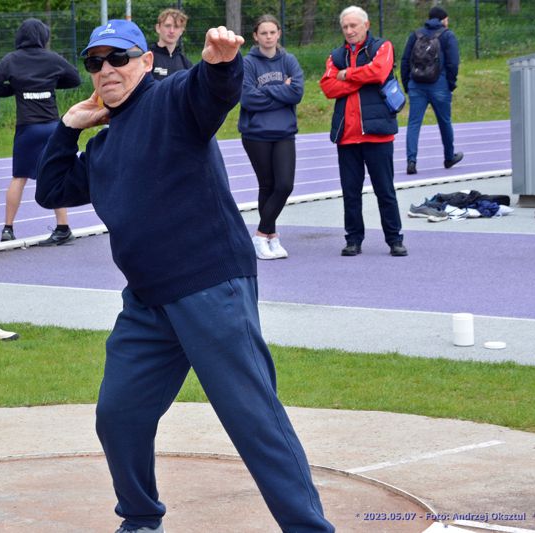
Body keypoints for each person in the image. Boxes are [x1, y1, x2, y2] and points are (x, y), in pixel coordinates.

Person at [35, 20, 334, 533]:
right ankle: (141, 518)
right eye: (95, 62)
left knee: (252, 418)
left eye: (119, 58)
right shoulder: (104, 146)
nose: (106, 69)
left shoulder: (171, 98)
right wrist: (69, 126)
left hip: (209, 287)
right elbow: (52, 188)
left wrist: (220, 61)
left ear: (146, 61)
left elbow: (211, 91)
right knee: (119, 416)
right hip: (148, 303)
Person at [320, 5, 408, 257]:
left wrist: (346, 76)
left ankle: (395, 239)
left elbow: (379, 72)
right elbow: (328, 87)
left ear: (366, 25)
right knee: (350, 192)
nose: (349, 31)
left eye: (353, 26)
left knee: (385, 190)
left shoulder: (383, 46)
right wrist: (359, 79)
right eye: (345, 27)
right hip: (346, 136)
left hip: (377, 133)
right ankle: (353, 240)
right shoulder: (336, 54)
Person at [0, 18, 82, 245]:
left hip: (27, 128)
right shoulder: (52, 58)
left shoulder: (11, 60)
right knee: (55, 173)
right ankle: (63, 227)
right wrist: (49, 85)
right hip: (51, 126)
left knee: (19, 177)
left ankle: (8, 228)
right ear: (43, 37)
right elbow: (75, 78)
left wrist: (17, 89)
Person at [239, 14, 304, 260]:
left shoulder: (289, 60)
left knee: (285, 185)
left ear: (278, 34)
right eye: (263, 33)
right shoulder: (248, 63)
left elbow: (296, 92)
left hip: (284, 132)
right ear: (256, 36)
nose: (268, 37)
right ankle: (271, 237)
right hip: (256, 133)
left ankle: (262, 234)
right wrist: (281, 90)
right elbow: (247, 98)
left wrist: (265, 91)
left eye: (272, 32)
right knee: (267, 185)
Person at [400, 6, 463, 175]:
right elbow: (453, 63)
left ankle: (411, 161)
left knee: (414, 124)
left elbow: (405, 60)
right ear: (443, 19)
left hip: (416, 85)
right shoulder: (447, 35)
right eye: (447, 19)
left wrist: (407, 84)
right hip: (439, 85)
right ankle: (449, 157)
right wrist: (450, 83)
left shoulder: (415, 35)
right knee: (445, 122)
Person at [149, 8, 193, 81]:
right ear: (158, 28)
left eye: (176, 27)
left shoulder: (186, 63)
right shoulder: (147, 57)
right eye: (167, 26)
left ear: (181, 31)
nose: (171, 31)